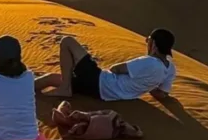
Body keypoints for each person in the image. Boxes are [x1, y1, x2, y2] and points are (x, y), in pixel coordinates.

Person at [34, 30, 176, 101]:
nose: (147, 43)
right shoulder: (170, 69)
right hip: (101, 92)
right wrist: (145, 83)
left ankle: (65, 88)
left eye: (148, 40)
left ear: (155, 45)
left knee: (67, 41)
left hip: (100, 81)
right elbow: (161, 94)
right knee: (51, 78)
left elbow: (116, 69)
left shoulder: (149, 62)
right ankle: (28, 88)